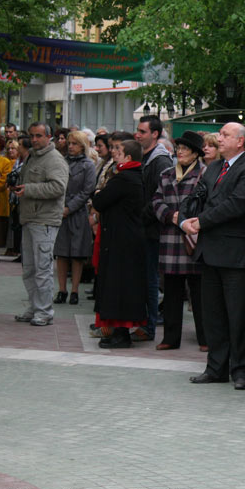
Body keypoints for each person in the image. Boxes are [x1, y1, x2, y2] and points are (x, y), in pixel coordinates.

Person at [179, 123, 245, 389]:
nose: (219, 138)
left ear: (240, 141)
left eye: (226, 135)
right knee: (213, 315)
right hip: (209, 252)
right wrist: (184, 219)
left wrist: (201, 221)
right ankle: (216, 367)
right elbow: (195, 196)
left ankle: (242, 370)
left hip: (235, 253)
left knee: (238, 315)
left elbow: (236, 204)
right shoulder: (213, 167)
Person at [151, 130, 208, 351]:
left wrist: (188, 220)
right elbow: (155, 200)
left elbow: (207, 203)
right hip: (171, 238)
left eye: (185, 149)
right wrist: (170, 215)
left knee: (199, 292)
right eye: (179, 148)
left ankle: (205, 338)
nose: (180, 152)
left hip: (194, 236)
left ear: (195, 154)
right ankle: (170, 338)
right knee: (172, 291)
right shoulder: (166, 174)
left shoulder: (205, 174)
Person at [91, 140, 148, 348]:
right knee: (123, 285)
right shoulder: (135, 176)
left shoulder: (124, 178)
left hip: (120, 240)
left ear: (129, 158)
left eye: (118, 150)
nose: (114, 152)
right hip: (127, 238)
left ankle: (120, 332)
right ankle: (118, 329)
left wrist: (98, 194)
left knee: (118, 286)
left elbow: (99, 201)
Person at [13, 123, 69, 326]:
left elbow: (58, 187)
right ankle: (35, 306)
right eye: (32, 136)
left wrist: (28, 189)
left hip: (44, 220)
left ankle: (44, 311)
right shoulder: (32, 156)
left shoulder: (54, 160)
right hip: (29, 218)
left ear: (49, 136)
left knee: (42, 268)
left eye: (38, 136)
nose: (34, 139)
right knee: (29, 268)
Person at [134, 115, 173, 342]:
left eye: (142, 131)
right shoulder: (145, 156)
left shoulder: (160, 160)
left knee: (150, 278)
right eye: (137, 130)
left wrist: (141, 215)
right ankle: (144, 322)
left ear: (155, 134)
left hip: (152, 228)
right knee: (145, 277)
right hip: (144, 227)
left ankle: (149, 326)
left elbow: (161, 195)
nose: (138, 134)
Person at [52, 131, 96, 305]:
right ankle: (62, 290)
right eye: (69, 143)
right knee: (61, 253)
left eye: (74, 143)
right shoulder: (62, 162)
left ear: (82, 145)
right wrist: (60, 207)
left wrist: (69, 208)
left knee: (77, 254)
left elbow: (87, 191)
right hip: (60, 211)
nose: (70, 146)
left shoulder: (88, 165)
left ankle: (75, 290)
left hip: (77, 213)